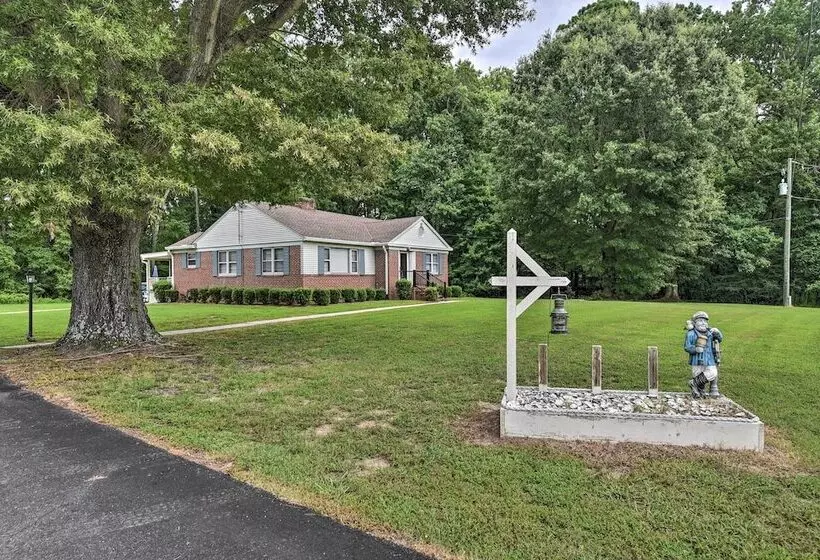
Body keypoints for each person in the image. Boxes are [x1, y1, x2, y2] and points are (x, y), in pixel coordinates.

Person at [684, 311, 723, 398]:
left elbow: (719, 339)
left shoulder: (710, 333)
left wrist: (717, 332)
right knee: (698, 376)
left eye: (705, 321)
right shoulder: (691, 334)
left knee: (712, 372)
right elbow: (687, 347)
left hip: (709, 359)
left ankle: (693, 383)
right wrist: (695, 349)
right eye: (700, 320)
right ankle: (699, 395)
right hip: (696, 360)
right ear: (694, 322)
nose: (703, 323)